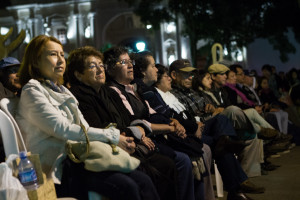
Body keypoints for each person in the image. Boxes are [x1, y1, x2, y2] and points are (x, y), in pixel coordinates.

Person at [16, 35, 159, 200]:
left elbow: (84, 127)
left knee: (143, 180)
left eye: (62, 54)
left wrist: (117, 140)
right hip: (60, 166)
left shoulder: (62, 90)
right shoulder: (32, 91)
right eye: (53, 54)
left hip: (82, 159)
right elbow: (62, 129)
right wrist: (113, 137)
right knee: (127, 187)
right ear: (35, 61)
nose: (61, 60)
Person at [66, 46, 178, 200]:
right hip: (103, 153)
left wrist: (134, 131)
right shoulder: (79, 95)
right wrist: (131, 133)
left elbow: (124, 119)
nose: (100, 70)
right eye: (92, 66)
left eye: (101, 65)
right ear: (78, 75)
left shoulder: (104, 91)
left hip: (124, 142)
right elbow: (97, 127)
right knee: (149, 174)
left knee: (167, 164)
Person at [103, 46, 196, 200]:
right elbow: (134, 122)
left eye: (130, 61)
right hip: (138, 142)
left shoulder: (133, 89)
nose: (130, 65)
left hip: (149, 137)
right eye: (124, 62)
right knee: (177, 160)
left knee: (190, 151)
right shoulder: (114, 91)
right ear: (111, 69)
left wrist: (173, 122)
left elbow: (152, 112)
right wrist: (170, 127)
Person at [168, 59, 265, 199]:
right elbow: (186, 119)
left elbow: (210, 107)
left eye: (192, 74)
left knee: (222, 137)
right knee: (223, 139)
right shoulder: (174, 96)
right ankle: (238, 187)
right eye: (186, 74)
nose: (190, 77)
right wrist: (205, 115)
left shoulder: (193, 92)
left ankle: (236, 192)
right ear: (174, 75)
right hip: (194, 130)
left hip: (206, 124)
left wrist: (211, 109)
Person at [132, 51, 213, 200]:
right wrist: (178, 125)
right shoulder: (143, 89)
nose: (156, 69)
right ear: (143, 71)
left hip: (167, 131)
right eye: (153, 66)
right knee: (186, 156)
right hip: (152, 137)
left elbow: (167, 114)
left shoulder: (147, 89)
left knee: (204, 145)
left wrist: (178, 123)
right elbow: (154, 116)